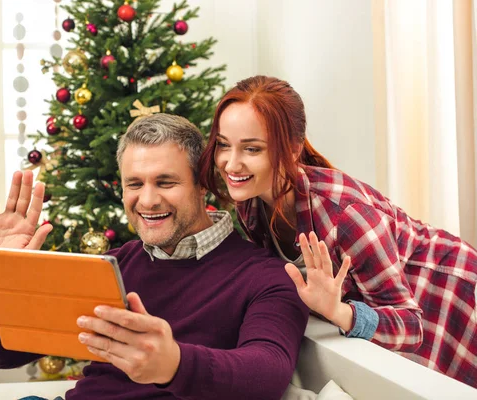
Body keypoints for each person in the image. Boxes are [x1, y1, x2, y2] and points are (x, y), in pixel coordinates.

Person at [0, 113, 309, 400]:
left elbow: (269, 370)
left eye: (165, 182)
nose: (147, 201)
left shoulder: (266, 276)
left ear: (203, 183)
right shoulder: (114, 265)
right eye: (134, 184)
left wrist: (173, 364)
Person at [198, 75, 477, 388]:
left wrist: (339, 311)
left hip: (454, 291)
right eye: (223, 145)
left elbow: (411, 326)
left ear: (291, 150)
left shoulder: (345, 214)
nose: (231, 164)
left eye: (252, 149)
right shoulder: (251, 200)